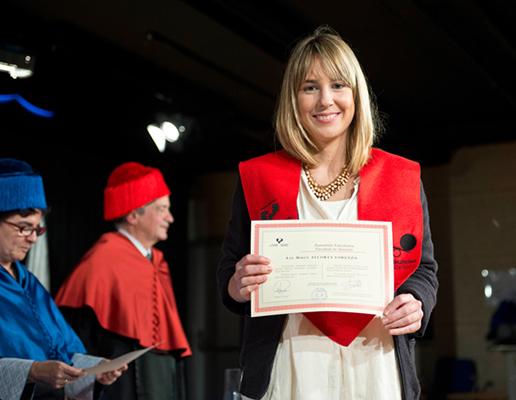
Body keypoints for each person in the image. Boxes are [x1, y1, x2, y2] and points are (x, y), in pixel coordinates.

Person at [217, 26, 438, 400]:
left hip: (376, 367)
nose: (325, 100)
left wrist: (416, 302)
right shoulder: (260, 177)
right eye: (310, 87)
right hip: (290, 367)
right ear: (293, 98)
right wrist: (237, 285)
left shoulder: (400, 177)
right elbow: (230, 268)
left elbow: (423, 270)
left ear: (355, 94)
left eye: (338, 85)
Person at [55, 162, 192, 400]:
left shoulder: (157, 261)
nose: (170, 218)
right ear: (133, 215)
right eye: (162, 209)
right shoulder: (102, 259)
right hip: (121, 388)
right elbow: (78, 340)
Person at [0, 158, 125, 400]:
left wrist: (94, 369)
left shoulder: (28, 282)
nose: (33, 238)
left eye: (37, 229)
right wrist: (33, 371)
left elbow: (62, 350)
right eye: (24, 227)